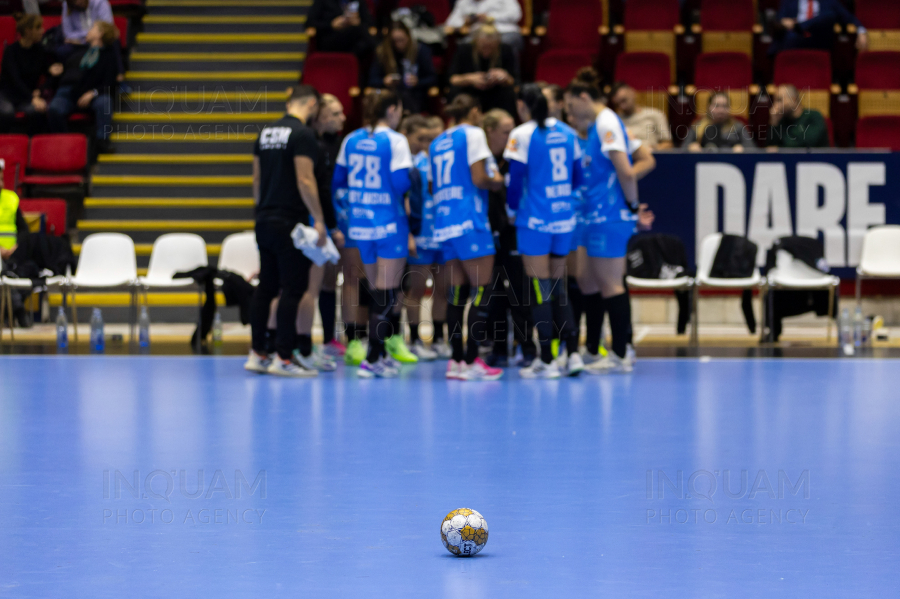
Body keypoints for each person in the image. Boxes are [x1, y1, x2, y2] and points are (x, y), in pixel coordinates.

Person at [503, 84, 585, 379]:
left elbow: (514, 182)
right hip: (563, 219)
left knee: (541, 291)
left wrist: (512, 210)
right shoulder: (567, 132)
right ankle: (573, 353)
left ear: (522, 105)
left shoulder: (522, 134)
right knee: (558, 287)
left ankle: (548, 360)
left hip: (534, 222)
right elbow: (579, 176)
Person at [245, 85, 327, 378]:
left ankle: (257, 353)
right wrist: (318, 218)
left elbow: (256, 178)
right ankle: (284, 356)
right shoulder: (302, 134)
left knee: (266, 288)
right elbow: (305, 180)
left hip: (264, 217)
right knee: (293, 288)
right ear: (312, 104)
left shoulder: (265, 133)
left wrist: (263, 208)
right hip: (289, 220)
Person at [564, 68, 642, 374]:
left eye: (571, 105)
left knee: (611, 284)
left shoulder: (607, 121)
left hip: (609, 213)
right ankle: (599, 348)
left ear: (584, 97)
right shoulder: (598, 124)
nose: (570, 113)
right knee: (588, 279)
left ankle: (622, 353)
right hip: (596, 214)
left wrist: (632, 204)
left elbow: (625, 169)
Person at [333, 90, 414, 378]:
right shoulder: (395, 140)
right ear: (392, 109)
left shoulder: (351, 139)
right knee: (387, 292)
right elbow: (400, 181)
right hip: (389, 224)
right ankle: (374, 357)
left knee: (376, 289)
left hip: (360, 224)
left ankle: (374, 353)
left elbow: (338, 181)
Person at [429, 94, 505, 381]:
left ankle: (456, 361)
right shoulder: (473, 134)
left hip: (445, 220)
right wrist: (499, 181)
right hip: (469, 220)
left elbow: (432, 184)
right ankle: (472, 360)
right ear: (474, 111)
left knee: (456, 296)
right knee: (482, 291)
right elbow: (479, 178)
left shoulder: (438, 141)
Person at [482, 107, 536, 367]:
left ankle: (527, 347)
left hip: (513, 232)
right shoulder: (479, 160)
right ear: (489, 131)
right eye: (506, 132)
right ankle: (498, 348)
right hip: (488, 234)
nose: (511, 136)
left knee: (519, 291)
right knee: (493, 293)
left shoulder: (515, 157)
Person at [401, 115, 448, 360]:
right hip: (422, 235)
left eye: (435, 138)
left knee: (443, 289)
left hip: (445, 234)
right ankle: (415, 338)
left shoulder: (448, 162)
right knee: (416, 289)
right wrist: (410, 232)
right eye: (425, 139)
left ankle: (439, 338)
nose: (430, 143)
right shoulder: (415, 164)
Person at [47, 21, 118, 150]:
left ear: (100, 34)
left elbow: (110, 83)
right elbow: (66, 69)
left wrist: (93, 93)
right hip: (71, 92)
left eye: (93, 28)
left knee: (105, 102)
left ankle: (102, 140)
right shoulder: (80, 51)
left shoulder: (109, 55)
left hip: (92, 94)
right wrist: (56, 71)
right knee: (54, 108)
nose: (88, 31)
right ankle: (63, 143)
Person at [0, 14, 63, 134]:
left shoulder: (39, 50)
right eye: (38, 28)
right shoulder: (11, 51)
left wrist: (51, 75)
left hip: (27, 96)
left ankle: (32, 143)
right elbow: (15, 80)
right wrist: (32, 97)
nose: (42, 31)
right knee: (6, 112)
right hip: (8, 94)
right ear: (28, 31)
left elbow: (48, 74)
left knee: (38, 111)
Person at [369, 20, 438, 115]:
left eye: (401, 40)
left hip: (415, 95)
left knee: (406, 96)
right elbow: (372, 80)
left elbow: (432, 78)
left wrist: (417, 82)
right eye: (394, 41)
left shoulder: (420, 50)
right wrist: (384, 81)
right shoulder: (382, 52)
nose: (398, 44)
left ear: (408, 36)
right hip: (390, 95)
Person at [448, 24, 518, 116]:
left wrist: (504, 76)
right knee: (455, 92)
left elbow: (514, 81)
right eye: (484, 46)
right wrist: (469, 78)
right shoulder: (464, 49)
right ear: (476, 42)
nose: (487, 50)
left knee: (508, 93)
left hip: (495, 92)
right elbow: (452, 79)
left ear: (497, 44)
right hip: (470, 90)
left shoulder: (505, 50)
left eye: (491, 47)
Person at [771, 0, 868, 54]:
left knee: (829, 15)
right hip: (795, 38)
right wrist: (784, 23)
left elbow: (848, 17)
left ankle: (800, 26)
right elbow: (780, 21)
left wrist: (861, 31)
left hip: (818, 39)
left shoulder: (829, 1)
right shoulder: (789, 2)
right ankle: (800, 27)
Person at [308, 0, 376, 65]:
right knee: (360, 31)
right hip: (330, 37)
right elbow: (310, 23)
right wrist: (331, 24)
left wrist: (357, 22)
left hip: (352, 41)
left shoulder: (358, 1)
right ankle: (379, 50)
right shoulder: (324, 1)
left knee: (363, 43)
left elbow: (369, 23)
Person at [683, 92, 755, 152]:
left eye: (725, 106)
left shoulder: (738, 127)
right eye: (716, 106)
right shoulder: (697, 126)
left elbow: (753, 150)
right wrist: (690, 149)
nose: (721, 110)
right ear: (709, 107)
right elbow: (681, 150)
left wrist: (743, 150)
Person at [609, 82, 673, 150]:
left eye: (624, 100)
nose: (622, 107)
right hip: (626, 157)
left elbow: (668, 144)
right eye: (617, 104)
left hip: (653, 156)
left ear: (632, 93)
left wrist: (653, 149)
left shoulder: (655, 115)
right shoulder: (615, 120)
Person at [444, 0, 523, 52]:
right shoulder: (463, 2)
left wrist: (489, 17)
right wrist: (466, 21)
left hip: (504, 31)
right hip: (476, 34)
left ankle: (509, 75)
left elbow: (516, 14)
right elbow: (451, 23)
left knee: (505, 45)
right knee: (464, 46)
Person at [767, 84, 830, 149]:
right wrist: (774, 122)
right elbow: (770, 148)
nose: (775, 105)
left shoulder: (814, 116)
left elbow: (806, 145)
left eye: (779, 100)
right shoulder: (780, 120)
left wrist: (781, 147)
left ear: (793, 100)